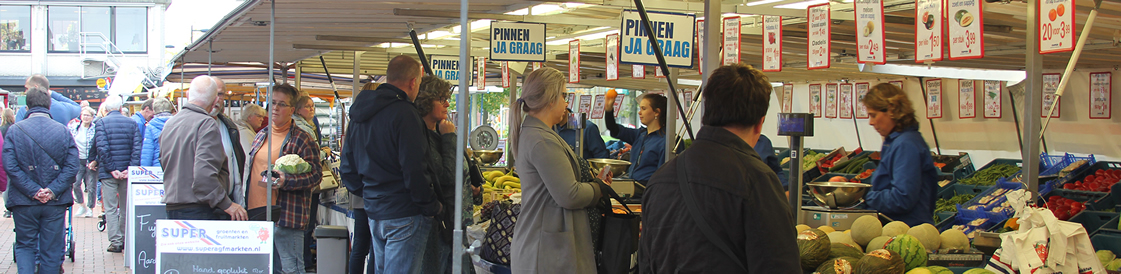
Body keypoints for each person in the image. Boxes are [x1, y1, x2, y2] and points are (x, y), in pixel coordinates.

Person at [638, 64, 800, 273]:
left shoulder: (661, 178)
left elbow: (646, 262)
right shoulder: (757, 180)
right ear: (760, 123)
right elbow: (779, 265)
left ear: (707, 113)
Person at [340, 55, 440, 274]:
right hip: (405, 211)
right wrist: (430, 205)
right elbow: (415, 167)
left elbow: (347, 167)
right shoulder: (405, 113)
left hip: (375, 211)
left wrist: (371, 193)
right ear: (413, 82)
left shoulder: (359, 114)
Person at [508, 68, 610, 273]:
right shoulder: (542, 140)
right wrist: (599, 187)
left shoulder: (535, 134)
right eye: (564, 95)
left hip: (542, 245)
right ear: (550, 98)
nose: (566, 102)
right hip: (546, 251)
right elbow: (570, 195)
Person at [243, 84, 322, 274]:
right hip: (257, 216)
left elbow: (315, 175)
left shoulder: (303, 139)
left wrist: (286, 180)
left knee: (290, 269)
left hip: (285, 217)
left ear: (292, 110)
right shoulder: (260, 135)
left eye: (282, 104)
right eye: (273, 103)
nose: (275, 108)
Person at [4, 86, 76, 274]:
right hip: (55, 201)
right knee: (52, 248)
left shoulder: (15, 131)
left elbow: (10, 166)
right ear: (49, 106)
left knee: (25, 245)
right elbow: (71, 167)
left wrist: (33, 190)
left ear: (27, 107)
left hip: (23, 200)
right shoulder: (63, 131)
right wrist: (52, 191)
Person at [416, 75, 481, 273]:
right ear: (426, 101)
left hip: (454, 222)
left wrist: (470, 187)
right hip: (441, 225)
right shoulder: (425, 138)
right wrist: (449, 137)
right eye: (441, 99)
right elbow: (447, 176)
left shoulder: (438, 132)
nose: (447, 104)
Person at [160, 76, 248, 221]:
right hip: (200, 209)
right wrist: (227, 204)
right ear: (215, 101)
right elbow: (204, 176)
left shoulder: (170, 123)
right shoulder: (206, 123)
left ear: (188, 95)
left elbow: (164, 163)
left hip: (174, 207)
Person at [861, 83, 939, 227]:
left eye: (873, 115)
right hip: (897, 227)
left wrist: (865, 196)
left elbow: (902, 198)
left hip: (907, 229)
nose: (871, 122)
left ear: (891, 110)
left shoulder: (906, 145)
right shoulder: (895, 141)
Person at [90, 94, 142, 253]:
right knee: (126, 207)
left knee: (111, 208)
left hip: (108, 173)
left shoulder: (101, 123)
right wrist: (130, 168)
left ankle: (116, 241)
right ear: (121, 108)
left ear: (106, 109)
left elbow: (102, 148)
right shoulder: (132, 123)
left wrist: (112, 169)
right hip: (127, 173)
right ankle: (125, 238)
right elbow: (137, 148)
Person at [347, 81, 381, 274]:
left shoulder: (354, 121)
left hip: (360, 193)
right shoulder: (379, 122)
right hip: (375, 191)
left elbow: (347, 159)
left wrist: (356, 187)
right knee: (375, 245)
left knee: (360, 244)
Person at [603, 92, 670, 184]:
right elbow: (613, 128)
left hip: (649, 188)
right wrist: (608, 108)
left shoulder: (666, 140)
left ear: (657, 112)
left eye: (644, 108)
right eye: (639, 108)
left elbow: (665, 177)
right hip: (634, 186)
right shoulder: (640, 134)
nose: (639, 112)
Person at [210, 78, 248, 207]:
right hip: (201, 207)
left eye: (220, 94)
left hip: (228, 203)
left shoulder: (229, 127)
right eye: (212, 93)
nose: (216, 98)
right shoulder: (189, 126)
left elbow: (236, 168)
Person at [16, 75, 81, 125]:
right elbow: (78, 107)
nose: (25, 92)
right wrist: (52, 93)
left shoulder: (24, 111)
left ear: (36, 87)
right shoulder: (64, 109)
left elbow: (17, 133)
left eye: (27, 88)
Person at [70, 107, 98, 218]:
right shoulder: (74, 127)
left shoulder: (95, 129)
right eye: (84, 115)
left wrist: (95, 160)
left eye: (88, 115)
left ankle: (90, 208)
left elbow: (97, 145)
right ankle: (81, 205)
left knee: (91, 186)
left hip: (90, 161)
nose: (85, 117)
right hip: (78, 160)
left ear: (92, 117)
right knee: (75, 183)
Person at [140, 99, 174, 167]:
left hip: (157, 168)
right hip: (174, 166)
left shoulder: (151, 126)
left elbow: (147, 152)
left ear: (154, 110)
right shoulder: (177, 124)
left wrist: (144, 169)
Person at [1, 107, 14, 218]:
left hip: (4, 159)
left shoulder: (1, 129)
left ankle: (8, 209)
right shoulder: (15, 128)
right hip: (13, 159)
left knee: (6, 186)